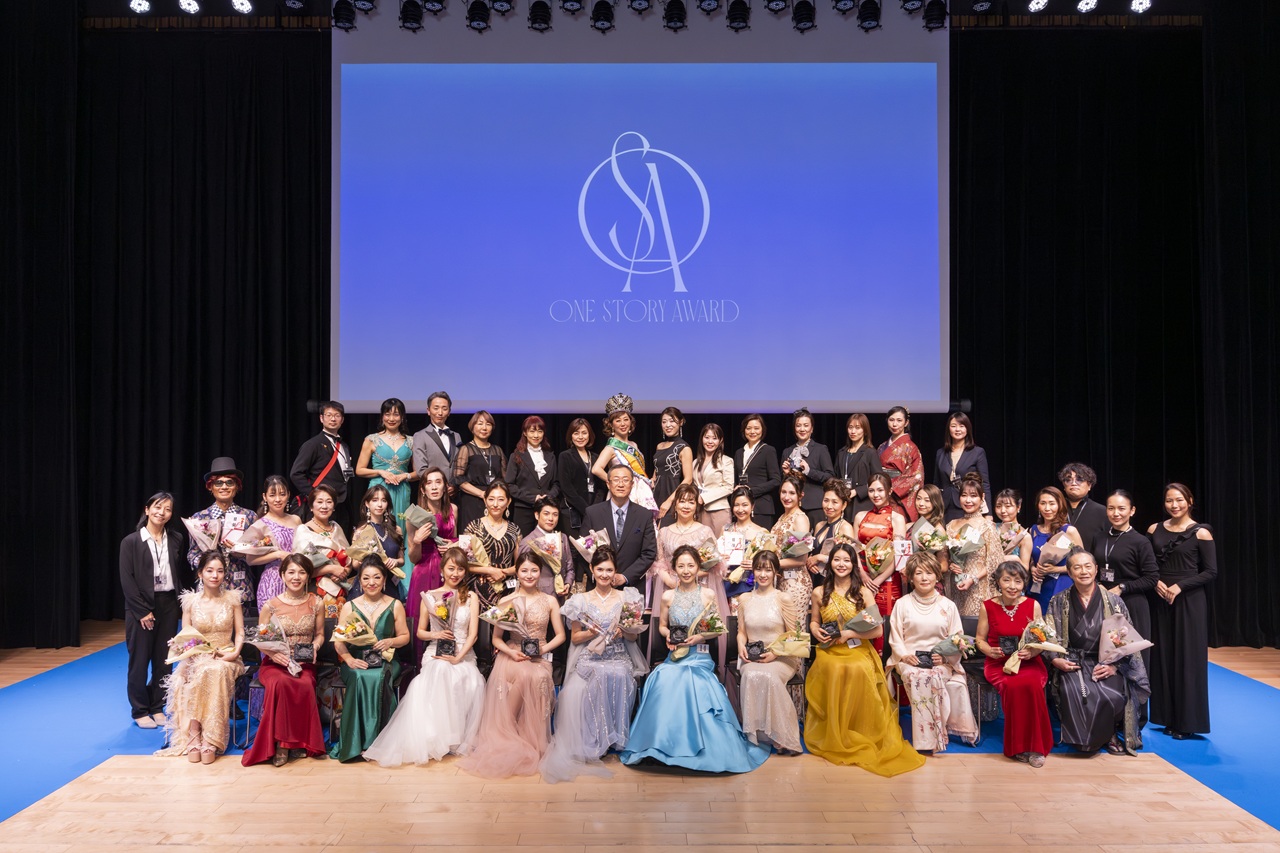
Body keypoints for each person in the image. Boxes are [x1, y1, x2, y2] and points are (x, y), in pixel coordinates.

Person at [621, 545, 770, 773]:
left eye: (690, 565)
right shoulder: (668, 596)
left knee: (691, 680)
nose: (686, 570)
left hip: (699, 656)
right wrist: (668, 635)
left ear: (698, 567)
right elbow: (662, 626)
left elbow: (716, 628)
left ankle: (705, 748)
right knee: (662, 677)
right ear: (674, 569)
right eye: (681, 566)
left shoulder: (707, 595)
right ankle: (661, 745)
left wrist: (699, 637)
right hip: (676, 656)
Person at [804, 542, 924, 775]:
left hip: (857, 648)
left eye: (846, 560)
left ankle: (857, 728)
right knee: (833, 668)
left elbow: (877, 630)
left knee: (858, 667)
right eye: (836, 559)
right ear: (830, 562)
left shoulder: (863, 593)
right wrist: (815, 629)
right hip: (829, 649)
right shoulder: (819, 592)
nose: (841, 564)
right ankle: (835, 730)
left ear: (854, 564)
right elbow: (815, 621)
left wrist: (849, 633)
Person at [363, 548, 486, 766]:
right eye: (451, 568)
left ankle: (456, 739)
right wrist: (436, 635)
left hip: (463, 653)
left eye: (460, 569)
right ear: (442, 570)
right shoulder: (429, 597)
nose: (455, 573)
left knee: (468, 678)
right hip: (436, 651)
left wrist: (458, 657)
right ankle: (438, 737)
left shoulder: (471, 597)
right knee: (440, 670)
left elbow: (473, 634)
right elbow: (420, 632)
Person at [541, 548, 649, 783]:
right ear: (591, 569)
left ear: (615, 571)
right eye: (600, 569)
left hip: (618, 655)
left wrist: (624, 632)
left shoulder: (627, 597)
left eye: (609, 570)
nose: (604, 574)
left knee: (620, 674)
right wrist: (593, 632)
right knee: (596, 677)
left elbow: (633, 637)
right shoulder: (580, 600)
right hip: (590, 657)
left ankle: (615, 738)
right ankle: (594, 740)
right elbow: (575, 638)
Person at [461, 552, 566, 778]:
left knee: (537, 676)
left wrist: (541, 650)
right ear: (517, 572)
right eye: (524, 570)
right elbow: (496, 638)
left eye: (534, 570)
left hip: (540, 656)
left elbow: (560, 635)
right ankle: (504, 734)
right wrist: (510, 651)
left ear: (540, 572)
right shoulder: (505, 601)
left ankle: (532, 740)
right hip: (512, 654)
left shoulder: (550, 601)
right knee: (525, 675)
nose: (529, 575)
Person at [1044, 549, 1150, 756]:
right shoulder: (1058, 601)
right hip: (1072, 660)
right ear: (1070, 572)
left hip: (1106, 660)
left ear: (1096, 570)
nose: (1083, 571)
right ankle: (1082, 740)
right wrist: (1056, 660)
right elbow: (1049, 635)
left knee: (1112, 695)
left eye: (1087, 566)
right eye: (1077, 567)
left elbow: (1126, 639)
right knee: (1074, 691)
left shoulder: (1114, 601)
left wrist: (1114, 666)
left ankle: (1109, 734)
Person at [155, 551, 245, 763]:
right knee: (200, 670)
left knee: (215, 669)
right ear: (200, 573)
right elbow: (186, 635)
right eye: (210, 570)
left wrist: (234, 652)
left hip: (226, 656)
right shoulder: (190, 602)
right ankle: (195, 731)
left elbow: (240, 632)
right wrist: (187, 651)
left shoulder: (232, 599)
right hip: (197, 656)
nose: (215, 575)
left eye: (220, 571)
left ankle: (211, 737)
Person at [887, 551, 978, 753]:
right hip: (909, 659)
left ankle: (938, 732)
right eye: (918, 573)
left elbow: (957, 639)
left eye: (929, 573)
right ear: (911, 577)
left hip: (940, 661)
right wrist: (904, 656)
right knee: (919, 676)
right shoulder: (902, 604)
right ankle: (927, 740)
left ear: (937, 576)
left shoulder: (948, 605)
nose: (924, 578)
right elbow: (895, 637)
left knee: (933, 675)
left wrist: (945, 657)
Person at [242, 554, 327, 767]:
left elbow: (320, 634)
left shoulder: (317, 603)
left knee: (304, 683)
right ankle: (281, 744)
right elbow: (261, 640)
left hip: (304, 662)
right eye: (291, 572)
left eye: (301, 572)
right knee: (280, 683)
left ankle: (297, 742)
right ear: (282, 575)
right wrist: (272, 655)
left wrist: (315, 646)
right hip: (275, 663)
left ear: (308, 576)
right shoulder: (270, 606)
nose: (296, 577)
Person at [1147, 482, 1217, 739]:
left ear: (1190, 501)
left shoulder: (1201, 532)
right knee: (1163, 657)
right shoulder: (1154, 529)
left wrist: (1180, 586)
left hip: (1189, 601)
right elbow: (1148, 564)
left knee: (1188, 660)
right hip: (1161, 599)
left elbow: (1211, 572)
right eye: (1169, 500)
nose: (1174, 505)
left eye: (1179, 500)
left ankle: (1187, 722)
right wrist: (1155, 581)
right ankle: (1166, 717)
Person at [121, 491, 193, 729]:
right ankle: (140, 710)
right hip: (141, 606)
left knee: (165, 660)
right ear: (147, 509)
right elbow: (127, 580)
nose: (162, 512)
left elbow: (177, 571)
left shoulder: (176, 538)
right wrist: (142, 611)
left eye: (168, 509)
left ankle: (157, 706)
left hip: (168, 604)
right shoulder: (131, 541)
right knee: (139, 661)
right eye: (158, 507)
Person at [329, 557, 411, 762]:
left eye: (376, 577)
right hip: (355, 660)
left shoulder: (395, 605)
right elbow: (339, 641)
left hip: (386, 660)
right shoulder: (349, 606)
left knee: (377, 676)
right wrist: (348, 659)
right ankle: (355, 744)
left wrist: (391, 641)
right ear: (359, 581)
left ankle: (379, 743)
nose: (371, 582)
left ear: (384, 580)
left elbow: (405, 637)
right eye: (366, 578)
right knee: (358, 676)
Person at [975, 560, 1053, 767]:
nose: (1012, 586)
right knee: (1013, 686)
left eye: (1017, 581)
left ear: (1024, 583)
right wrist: (989, 651)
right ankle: (1019, 746)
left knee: (1031, 685)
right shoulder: (987, 606)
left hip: (1028, 662)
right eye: (1007, 580)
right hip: (999, 663)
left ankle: (1036, 747)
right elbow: (979, 640)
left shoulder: (1033, 605)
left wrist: (1033, 651)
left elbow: (1041, 639)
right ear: (998, 582)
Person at [650, 483, 728, 667]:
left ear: (696, 506)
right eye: (682, 501)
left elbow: (712, 563)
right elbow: (659, 562)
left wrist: (689, 576)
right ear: (675, 504)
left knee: (701, 630)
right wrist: (671, 581)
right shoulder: (664, 532)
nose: (686, 506)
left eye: (691, 502)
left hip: (699, 587)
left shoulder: (705, 531)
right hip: (671, 588)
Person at [735, 551, 803, 754]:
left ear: (776, 573)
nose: (763, 574)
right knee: (752, 674)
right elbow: (741, 632)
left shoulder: (783, 598)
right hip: (752, 657)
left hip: (782, 657)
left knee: (769, 675)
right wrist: (740, 645)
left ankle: (782, 734)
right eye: (759, 569)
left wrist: (775, 653)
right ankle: (760, 733)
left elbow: (794, 635)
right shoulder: (745, 599)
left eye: (768, 570)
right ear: (753, 571)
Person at [1093, 490, 1159, 681]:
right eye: (1111, 508)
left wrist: (1122, 588)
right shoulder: (1099, 537)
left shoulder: (1141, 541)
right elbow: (1093, 566)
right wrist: (1097, 584)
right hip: (1103, 601)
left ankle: (1137, 701)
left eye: (1121, 508)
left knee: (1132, 658)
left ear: (1132, 511)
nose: (1116, 513)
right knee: (1106, 656)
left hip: (1132, 604)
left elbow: (1152, 577)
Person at [187, 457, 259, 608]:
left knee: (241, 624)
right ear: (210, 487)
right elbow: (192, 554)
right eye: (218, 483)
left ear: (237, 487)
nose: (224, 487)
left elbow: (258, 552)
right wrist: (207, 560)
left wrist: (242, 554)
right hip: (209, 589)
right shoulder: (199, 518)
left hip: (240, 587)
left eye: (229, 482)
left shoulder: (249, 516)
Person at [406, 467, 456, 658]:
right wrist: (417, 541)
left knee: (449, 618)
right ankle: (420, 665)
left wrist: (452, 546)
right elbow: (413, 558)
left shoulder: (453, 510)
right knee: (422, 621)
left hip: (449, 572)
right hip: (424, 572)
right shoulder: (414, 516)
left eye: (438, 482)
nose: (434, 487)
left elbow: (456, 544)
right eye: (429, 483)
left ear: (445, 486)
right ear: (423, 489)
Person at [582, 466, 658, 593]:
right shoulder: (592, 513)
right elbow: (583, 550)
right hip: (598, 588)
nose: (621, 484)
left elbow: (649, 553)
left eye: (625, 480)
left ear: (632, 484)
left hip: (632, 588)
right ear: (608, 484)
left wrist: (625, 577)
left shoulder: (644, 515)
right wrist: (601, 576)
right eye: (616, 480)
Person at [853, 473, 907, 653]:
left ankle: (884, 666)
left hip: (888, 581)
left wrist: (878, 580)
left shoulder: (897, 518)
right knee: (863, 621)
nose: (875, 495)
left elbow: (899, 555)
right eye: (871, 490)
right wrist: (862, 574)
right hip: (863, 578)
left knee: (885, 624)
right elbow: (854, 549)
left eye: (880, 490)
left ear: (889, 491)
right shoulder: (860, 516)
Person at [943, 473, 1002, 617]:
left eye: (973, 496)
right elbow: (945, 556)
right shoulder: (951, 525)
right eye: (964, 495)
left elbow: (995, 561)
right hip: (955, 586)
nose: (968, 500)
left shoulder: (987, 526)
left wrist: (973, 579)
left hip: (978, 588)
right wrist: (951, 565)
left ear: (982, 498)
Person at [289, 402, 355, 531]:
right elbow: (296, 473)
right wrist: (314, 495)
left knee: (340, 541)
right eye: (329, 415)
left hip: (341, 505)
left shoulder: (344, 446)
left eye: (337, 415)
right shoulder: (313, 444)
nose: (333, 419)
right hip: (321, 507)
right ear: (321, 418)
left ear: (342, 420)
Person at [591, 393, 658, 517]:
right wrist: (615, 482)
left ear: (631, 422)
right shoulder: (611, 447)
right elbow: (596, 469)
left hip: (640, 491)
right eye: (618, 420)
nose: (623, 424)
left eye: (626, 419)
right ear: (611, 425)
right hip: (623, 492)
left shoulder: (634, 444)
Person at [355, 397, 417, 530]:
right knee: (378, 526)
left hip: (401, 490)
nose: (391, 419)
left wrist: (405, 476)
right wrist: (380, 472)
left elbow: (418, 473)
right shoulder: (371, 440)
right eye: (387, 414)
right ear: (382, 416)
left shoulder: (411, 441)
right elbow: (359, 470)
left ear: (402, 417)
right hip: (378, 489)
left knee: (400, 526)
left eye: (396, 414)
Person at [291, 485, 351, 620]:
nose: (324, 506)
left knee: (340, 627)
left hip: (340, 590)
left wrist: (344, 571)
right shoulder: (303, 530)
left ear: (334, 506)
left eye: (329, 502)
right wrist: (330, 569)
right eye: (319, 502)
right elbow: (299, 570)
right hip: (315, 591)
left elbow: (349, 560)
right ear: (311, 506)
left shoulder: (336, 528)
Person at [246, 475, 302, 612]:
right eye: (272, 495)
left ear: (288, 495)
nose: (278, 499)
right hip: (273, 581)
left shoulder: (296, 520)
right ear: (264, 497)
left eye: (282, 494)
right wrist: (278, 554)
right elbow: (250, 560)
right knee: (272, 623)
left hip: (297, 579)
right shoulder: (261, 524)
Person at [771, 476, 814, 642]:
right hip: (781, 581)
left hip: (796, 583)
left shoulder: (800, 519)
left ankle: (797, 661)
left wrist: (771, 564)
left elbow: (802, 559)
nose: (786, 497)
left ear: (800, 495)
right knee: (782, 633)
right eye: (783, 492)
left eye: (791, 493)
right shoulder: (782, 516)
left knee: (795, 633)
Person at [1029, 486, 1084, 611]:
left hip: (1062, 584)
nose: (1047, 508)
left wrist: (1056, 569)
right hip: (1039, 585)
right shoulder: (1033, 530)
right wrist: (1032, 568)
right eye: (1043, 503)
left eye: (1052, 503)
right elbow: (1031, 558)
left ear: (1060, 505)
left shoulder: (1069, 531)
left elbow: (1082, 563)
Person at [505, 415, 560, 538]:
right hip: (523, 510)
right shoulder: (516, 456)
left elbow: (556, 483)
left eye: (540, 431)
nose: (536, 435)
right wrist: (533, 498)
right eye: (532, 431)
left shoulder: (550, 456)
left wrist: (548, 497)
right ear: (525, 433)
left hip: (546, 511)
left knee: (547, 546)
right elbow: (509, 485)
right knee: (524, 545)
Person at [348, 484, 406, 599]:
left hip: (389, 584)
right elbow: (354, 565)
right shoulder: (361, 531)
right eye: (375, 500)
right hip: (367, 586)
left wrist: (395, 561)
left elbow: (402, 560)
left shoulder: (396, 530)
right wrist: (362, 560)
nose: (379, 504)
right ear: (367, 503)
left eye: (383, 500)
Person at [453, 410, 506, 533]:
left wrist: (495, 496)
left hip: (494, 501)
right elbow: (459, 479)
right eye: (480, 423)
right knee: (472, 536)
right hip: (472, 500)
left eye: (488, 424)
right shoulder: (466, 449)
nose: (484, 427)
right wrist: (481, 494)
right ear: (472, 427)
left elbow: (505, 478)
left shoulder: (497, 450)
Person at [933, 413, 993, 522]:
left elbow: (985, 483)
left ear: (967, 429)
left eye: (962, 426)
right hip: (944, 506)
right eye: (953, 426)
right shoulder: (940, 453)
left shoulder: (977, 452)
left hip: (968, 504)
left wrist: (988, 514)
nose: (957, 429)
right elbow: (936, 483)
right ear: (948, 429)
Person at [781, 407, 836, 526]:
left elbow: (830, 476)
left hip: (815, 505)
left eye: (806, 425)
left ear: (812, 429)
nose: (802, 429)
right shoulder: (787, 451)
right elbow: (784, 483)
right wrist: (786, 474)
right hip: (793, 505)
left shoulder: (820, 449)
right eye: (798, 425)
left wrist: (809, 471)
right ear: (794, 428)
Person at [517, 497, 576, 600]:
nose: (551, 518)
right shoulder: (528, 542)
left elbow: (570, 567)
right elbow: (522, 573)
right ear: (537, 515)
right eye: (546, 514)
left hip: (560, 595)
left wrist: (568, 583)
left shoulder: (563, 538)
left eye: (555, 514)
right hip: (538, 596)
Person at [733, 413, 782, 529]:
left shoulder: (768, 450)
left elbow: (776, 480)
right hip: (742, 507)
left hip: (762, 507)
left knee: (760, 540)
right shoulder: (739, 452)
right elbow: (736, 478)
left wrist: (752, 491)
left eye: (756, 428)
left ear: (762, 430)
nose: (752, 431)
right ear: (744, 430)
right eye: (748, 428)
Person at [557, 417, 602, 539]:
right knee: (575, 547)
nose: (580, 437)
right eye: (576, 433)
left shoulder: (596, 457)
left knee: (594, 546)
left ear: (589, 435)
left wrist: (594, 509)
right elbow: (566, 487)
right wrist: (586, 509)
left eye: (584, 433)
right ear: (571, 436)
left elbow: (601, 487)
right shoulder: (565, 456)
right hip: (572, 512)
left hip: (594, 512)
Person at [722, 486, 769, 601]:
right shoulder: (726, 529)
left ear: (752, 506)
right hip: (727, 584)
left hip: (750, 585)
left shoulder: (761, 532)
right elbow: (718, 558)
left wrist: (756, 564)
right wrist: (721, 558)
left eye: (744, 505)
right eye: (736, 505)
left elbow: (769, 563)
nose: (740, 509)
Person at [806, 478, 856, 584]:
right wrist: (810, 560)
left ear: (844, 505)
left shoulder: (845, 527)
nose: (829, 506)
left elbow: (848, 560)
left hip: (834, 581)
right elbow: (815, 551)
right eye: (826, 501)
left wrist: (820, 558)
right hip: (814, 577)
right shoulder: (819, 525)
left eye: (835, 502)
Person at [878, 406, 923, 521]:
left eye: (899, 420)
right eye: (891, 420)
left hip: (896, 496)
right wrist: (879, 488)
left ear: (906, 423)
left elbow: (916, 476)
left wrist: (890, 489)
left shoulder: (911, 448)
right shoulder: (882, 446)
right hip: (880, 493)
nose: (894, 424)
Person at [411, 391, 462, 493]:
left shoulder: (456, 436)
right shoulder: (420, 436)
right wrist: (440, 485)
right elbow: (421, 469)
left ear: (449, 412)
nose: (440, 412)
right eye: (436, 408)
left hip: (454, 492)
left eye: (444, 408)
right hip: (433, 491)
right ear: (428, 411)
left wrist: (455, 484)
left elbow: (460, 465)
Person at [836, 413, 884, 519]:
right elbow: (836, 476)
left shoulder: (870, 452)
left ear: (865, 431)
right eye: (850, 427)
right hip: (844, 501)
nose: (853, 431)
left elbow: (878, 480)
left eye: (858, 428)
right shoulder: (842, 452)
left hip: (862, 503)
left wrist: (857, 491)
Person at [653, 406, 694, 526]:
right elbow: (657, 471)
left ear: (680, 422)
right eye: (664, 421)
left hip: (672, 494)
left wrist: (670, 501)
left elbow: (688, 479)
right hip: (655, 495)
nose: (668, 425)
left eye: (672, 421)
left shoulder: (684, 447)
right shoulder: (659, 446)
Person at [693, 422, 735, 537]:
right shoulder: (695, 462)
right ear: (702, 439)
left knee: (719, 544)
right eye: (707, 437)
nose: (710, 441)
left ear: (720, 440)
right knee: (702, 544)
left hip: (719, 510)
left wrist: (704, 497)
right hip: (699, 511)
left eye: (714, 438)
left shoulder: (726, 461)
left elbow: (728, 487)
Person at [1059, 462, 1109, 553]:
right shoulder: (1056, 509)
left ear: (1089, 485)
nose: (1073, 483)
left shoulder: (1102, 511)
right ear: (1064, 486)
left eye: (1079, 479)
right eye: (1068, 480)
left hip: (1089, 561)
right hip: (1056, 561)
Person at [912, 484, 952, 577]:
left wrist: (917, 569)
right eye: (918, 499)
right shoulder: (913, 524)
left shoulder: (937, 529)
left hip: (926, 579)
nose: (921, 503)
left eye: (927, 500)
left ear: (935, 502)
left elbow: (944, 566)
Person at [993, 488, 1032, 570]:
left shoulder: (1024, 536)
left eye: (1008, 506)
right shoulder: (992, 528)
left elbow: (1025, 569)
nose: (1003, 510)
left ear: (1018, 507)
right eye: (998, 506)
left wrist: (1015, 559)